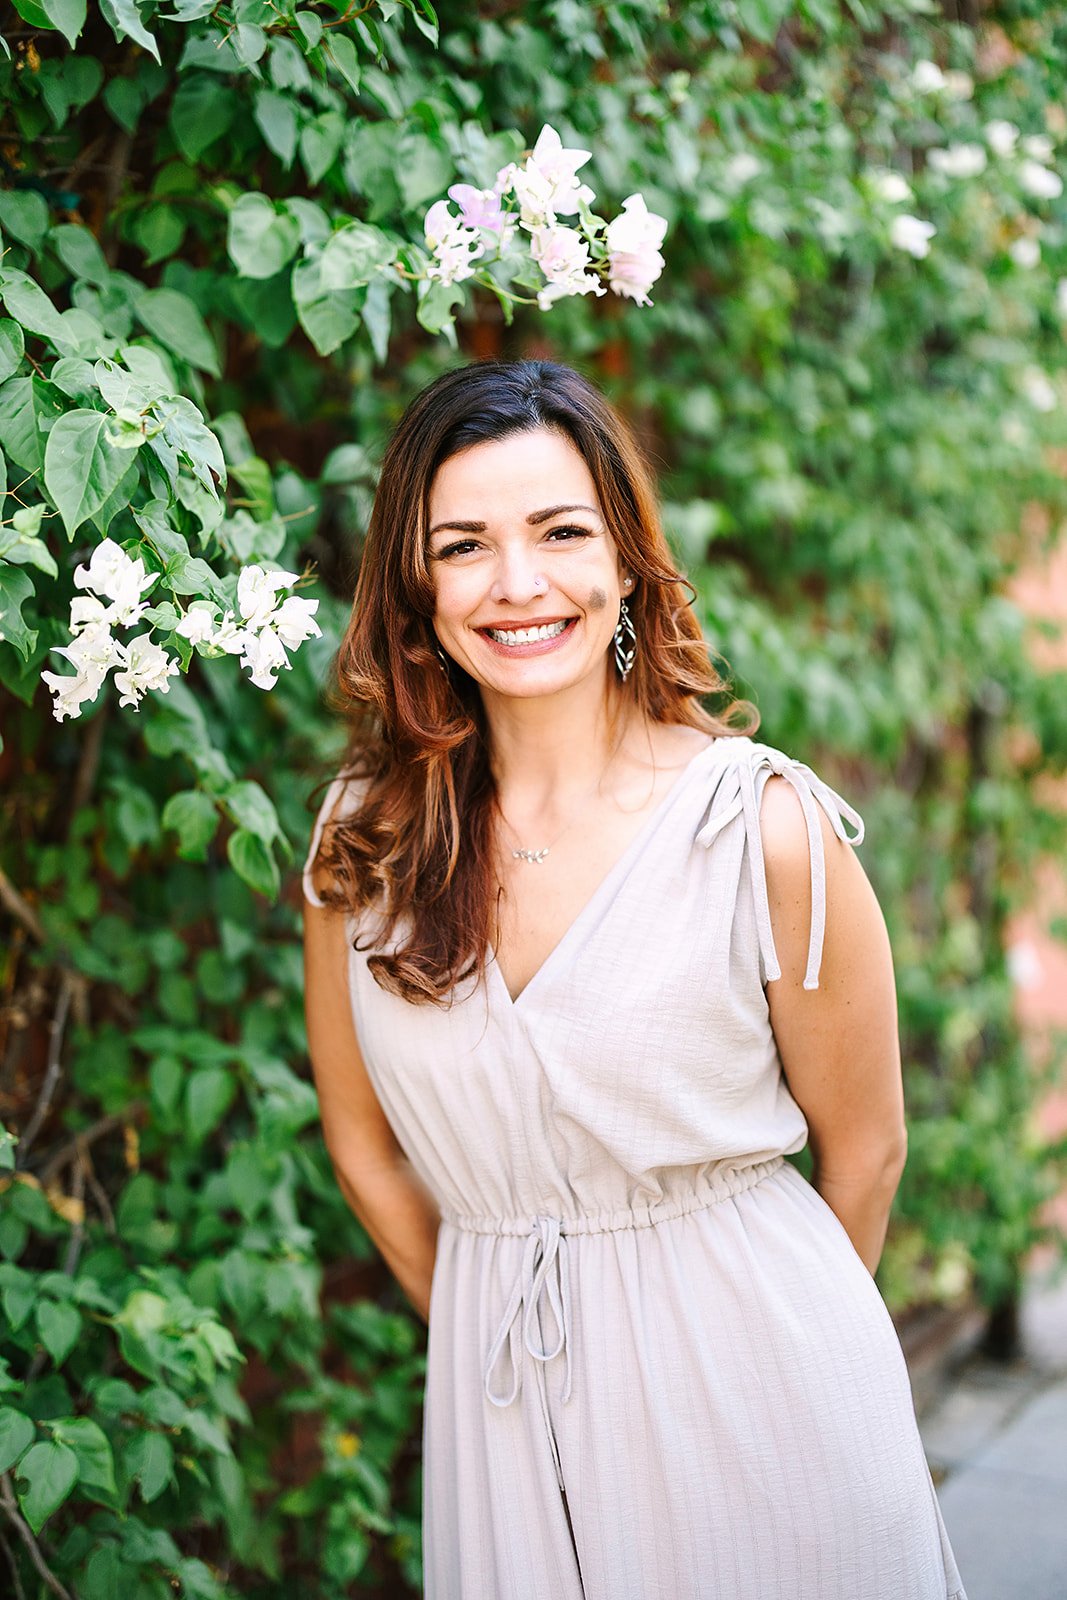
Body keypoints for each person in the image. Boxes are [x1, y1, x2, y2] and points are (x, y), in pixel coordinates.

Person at [302, 359, 968, 1600]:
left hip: (763, 1405)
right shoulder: (364, 845)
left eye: (559, 531)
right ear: (416, 589)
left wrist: (728, 1355)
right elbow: (363, 1149)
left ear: (623, 559)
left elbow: (867, 1151)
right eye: (463, 546)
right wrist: (511, 1334)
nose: (517, 583)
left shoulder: (761, 829)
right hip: (505, 1414)